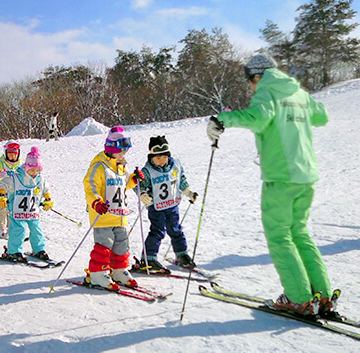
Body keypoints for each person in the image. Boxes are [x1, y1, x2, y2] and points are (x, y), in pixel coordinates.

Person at [206, 54, 332, 316]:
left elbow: (258, 118)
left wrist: (222, 120)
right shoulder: (297, 92)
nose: (251, 87)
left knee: (279, 236)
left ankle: (299, 298)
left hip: (281, 176)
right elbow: (321, 116)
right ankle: (322, 294)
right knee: (299, 232)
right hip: (306, 175)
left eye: (250, 81)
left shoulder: (267, 91)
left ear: (257, 75)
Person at [82, 126, 144, 290]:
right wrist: (96, 201)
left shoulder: (121, 166)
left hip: (120, 214)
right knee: (104, 245)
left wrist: (134, 180)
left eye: (125, 151)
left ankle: (119, 270)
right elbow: (90, 186)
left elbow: (124, 185)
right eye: (122, 151)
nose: (124, 154)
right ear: (112, 149)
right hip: (103, 216)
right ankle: (97, 274)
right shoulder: (99, 166)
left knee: (122, 244)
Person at [138, 135, 198, 270]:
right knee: (157, 231)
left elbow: (181, 180)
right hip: (156, 207)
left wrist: (189, 192)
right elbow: (140, 185)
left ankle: (182, 254)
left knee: (176, 230)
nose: (161, 161)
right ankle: (149, 258)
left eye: (164, 157)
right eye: (157, 158)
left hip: (172, 205)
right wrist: (143, 194)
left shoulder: (175, 165)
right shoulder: (147, 171)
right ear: (151, 157)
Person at [0, 146, 54, 262]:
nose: (34, 173)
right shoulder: (16, 177)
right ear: (26, 168)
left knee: (36, 230)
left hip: (32, 211)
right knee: (19, 230)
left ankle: (39, 249)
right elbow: (1, 185)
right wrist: (1, 197)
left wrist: (48, 200)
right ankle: (14, 251)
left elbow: (46, 189)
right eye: (32, 170)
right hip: (17, 211)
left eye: (37, 170)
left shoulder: (40, 179)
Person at [0, 140, 23, 238]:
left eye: (15, 154)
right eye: (10, 154)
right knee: (2, 207)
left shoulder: (20, 165)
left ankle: (10, 227)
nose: (13, 157)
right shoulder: (0, 163)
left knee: (12, 208)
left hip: (12, 191)